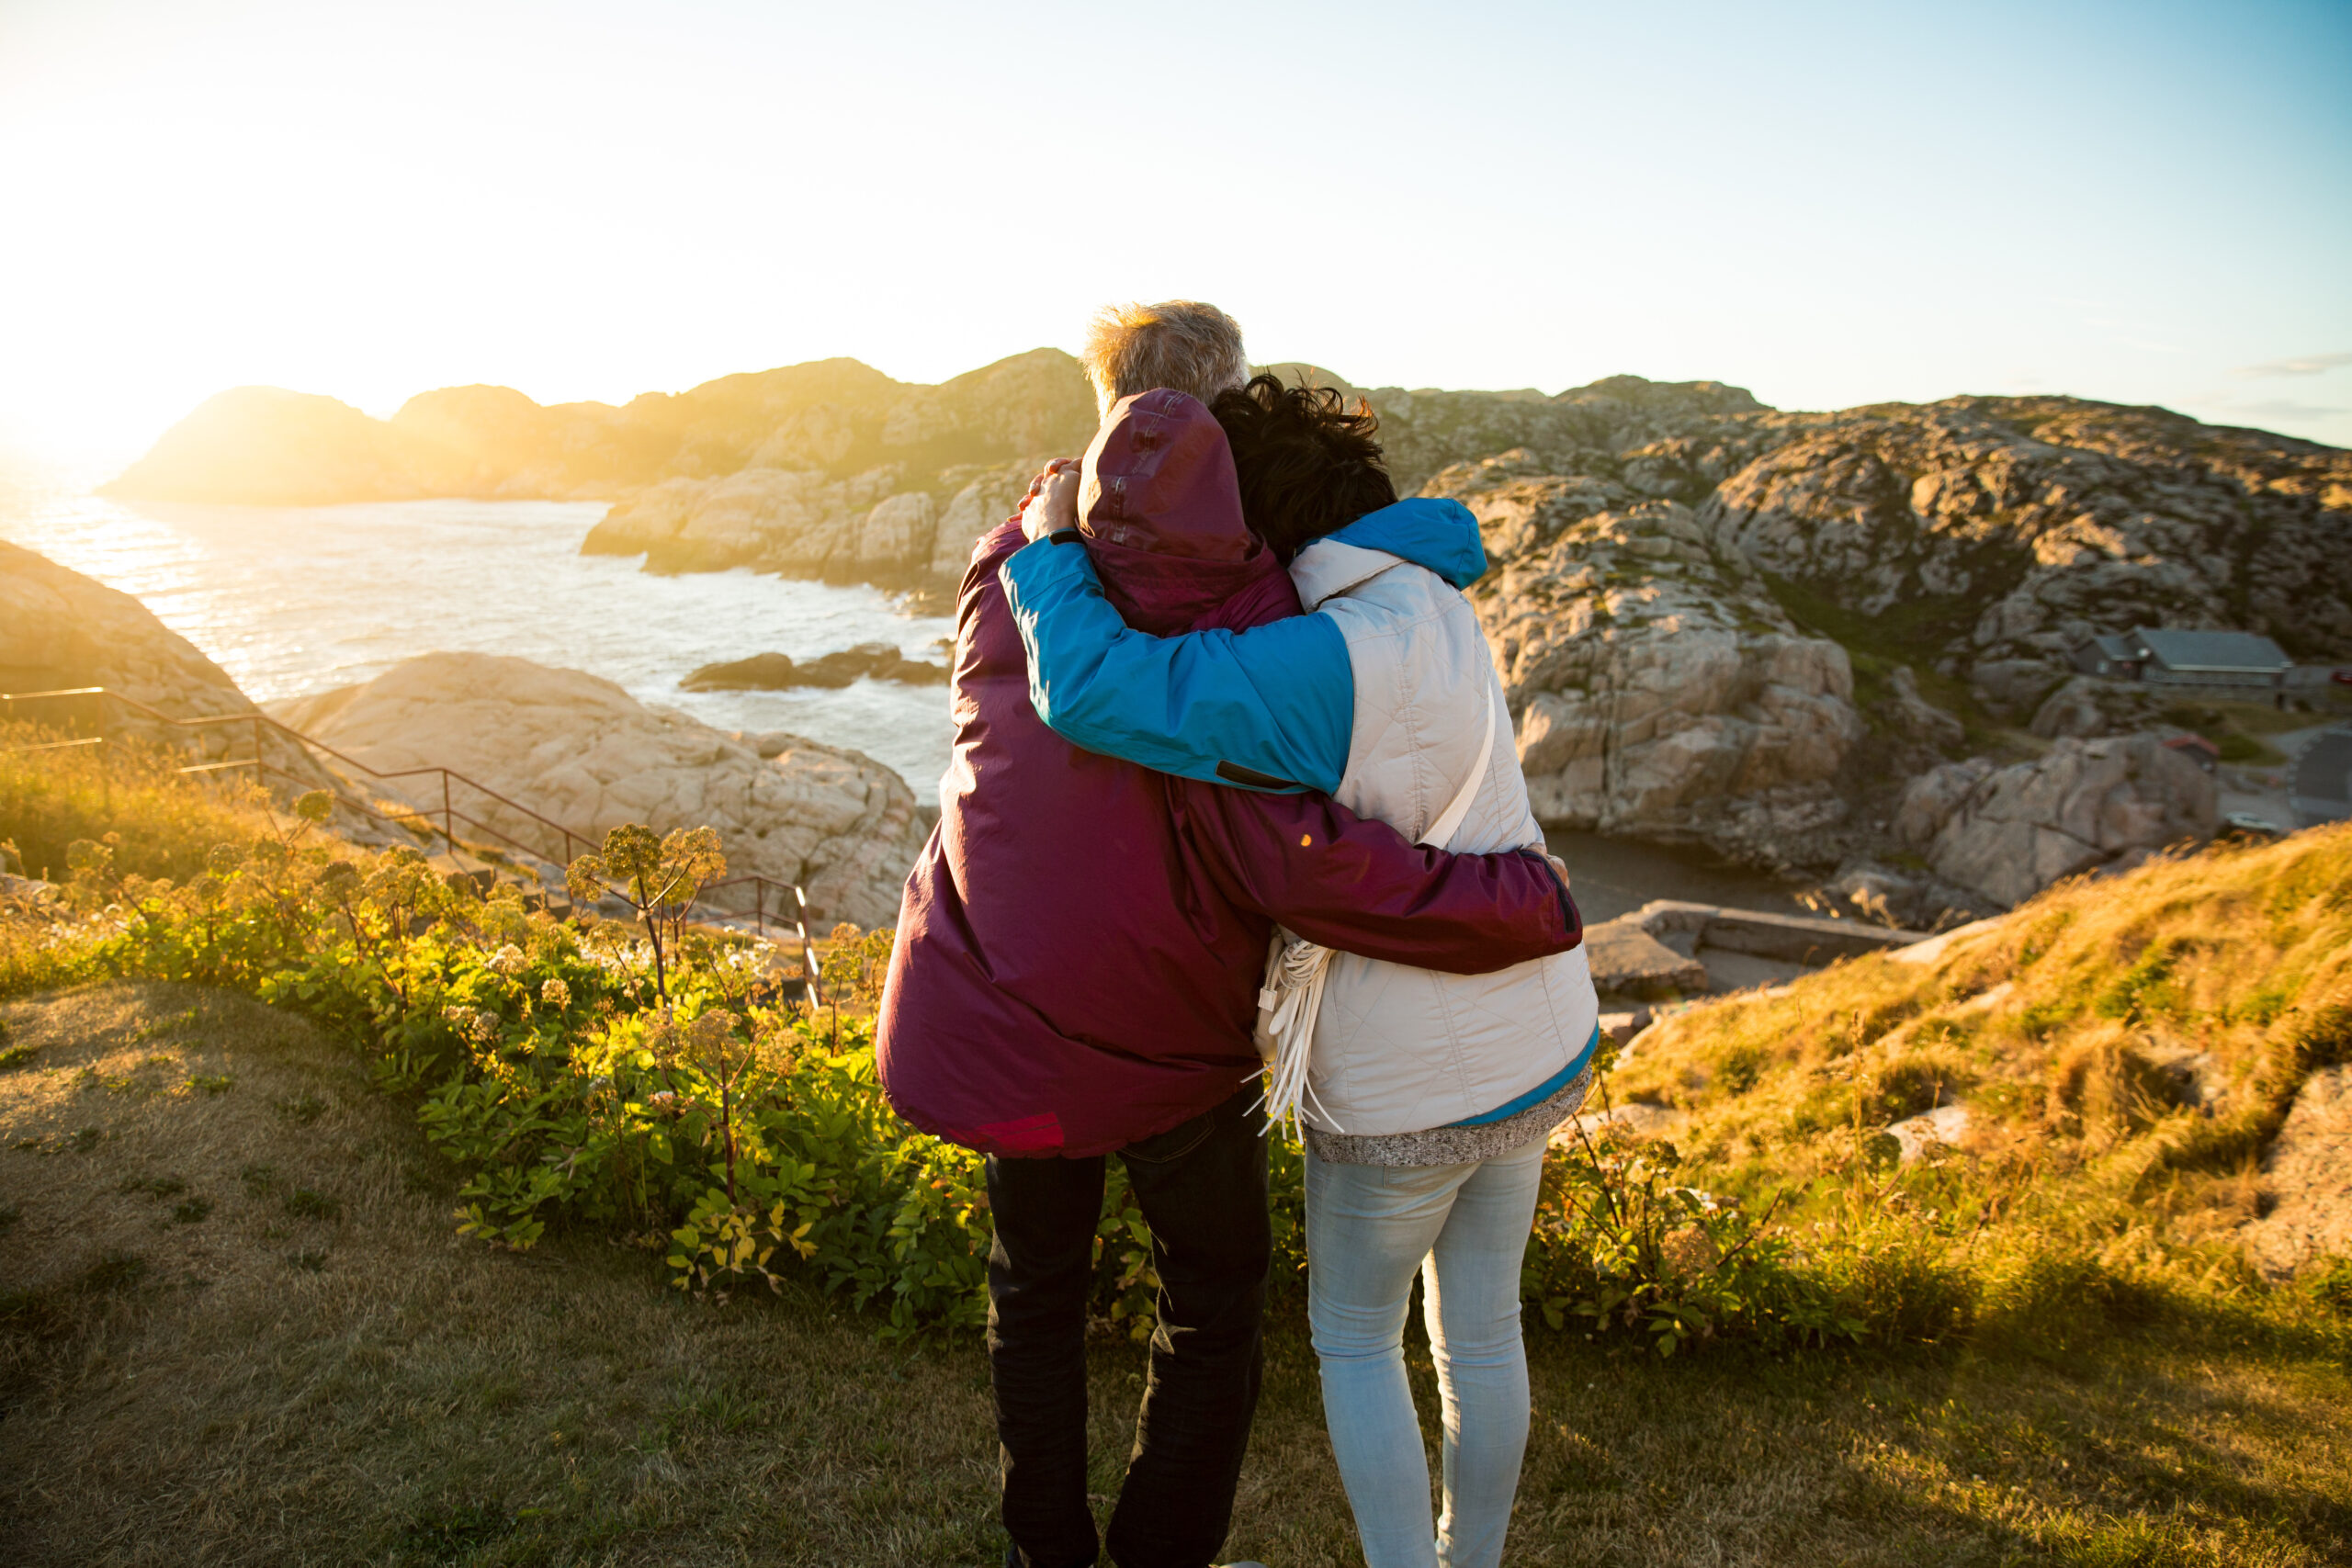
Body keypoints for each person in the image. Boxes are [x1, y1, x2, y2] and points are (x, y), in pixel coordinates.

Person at [875, 303, 1583, 1568]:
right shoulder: (1267, 601)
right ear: (1222, 411)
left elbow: (1019, 747)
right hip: (1172, 1031)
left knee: (1032, 1290)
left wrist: (1051, 542)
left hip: (1002, 1002)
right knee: (1213, 1303)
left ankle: (1051, 1552)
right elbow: (1274, 846)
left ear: (1106, 405)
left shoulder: (1007, 559)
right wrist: (1520, 898)